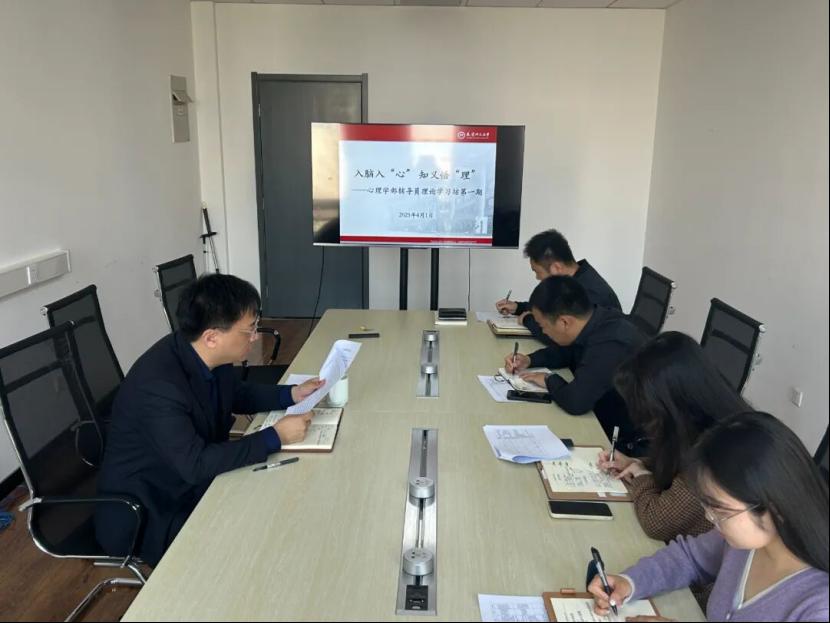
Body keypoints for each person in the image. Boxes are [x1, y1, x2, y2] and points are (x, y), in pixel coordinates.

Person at [95, 274, 324, 566]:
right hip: (151, 509)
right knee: (261, 535)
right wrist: (275, 436)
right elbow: (196, 465)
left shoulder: (201, 352)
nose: (255, 337)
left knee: (279, 500)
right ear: (212, 337)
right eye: (250, 329)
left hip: (190, 480)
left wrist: (290, 394)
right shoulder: (159, 387)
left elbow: (237, 393)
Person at [588, 412, 829, 622]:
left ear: (774, 508)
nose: (708, 516)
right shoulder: (745, 543)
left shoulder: (819, 606)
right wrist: (630, 582)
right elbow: (689, 557)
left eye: (720, 510)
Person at [597, 331, 751, 542]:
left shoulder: (715, 454)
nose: (646, 421)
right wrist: (636, 463)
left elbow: (656, 522)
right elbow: (676, 468)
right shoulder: (707, 417)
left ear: (670, 405)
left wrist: (641, 476)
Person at [504, 276, 644, 450]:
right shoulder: (594, 320)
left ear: (564, 322)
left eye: (543, 326)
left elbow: (576, 401)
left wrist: (549, 379)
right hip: (602, 412)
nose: (544, 332)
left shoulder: (611, 342)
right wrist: (530, 360)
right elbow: (569, 352)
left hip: (626, 440)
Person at [495, 229, 621, 345]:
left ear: (556, 268)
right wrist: (518, 307)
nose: (537, 278)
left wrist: (528, 320)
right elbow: (553, 310)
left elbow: (560, 338)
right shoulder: (574, 280)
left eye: (537, 272)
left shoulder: (591, 294)